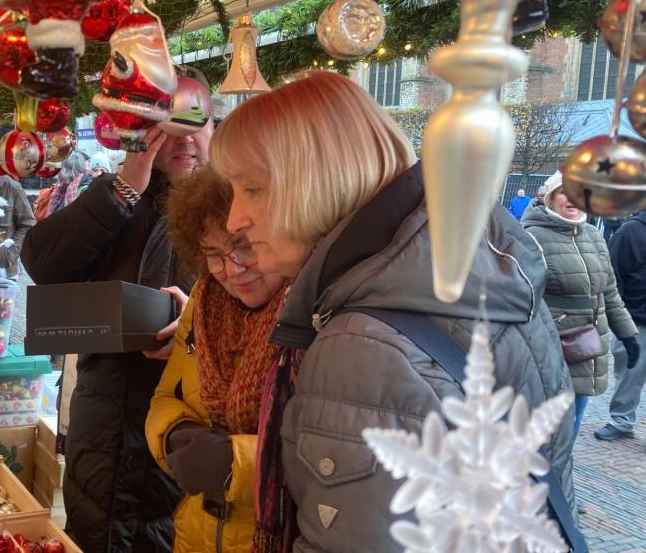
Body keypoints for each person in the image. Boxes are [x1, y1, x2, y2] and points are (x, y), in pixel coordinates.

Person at [209, 71, 576, 552]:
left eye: (252, 189)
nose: (236, 219)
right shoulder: (470, 272)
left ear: (318, 180)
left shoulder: (361, 345)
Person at [21, 116, 212, 552]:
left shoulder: (237, 207)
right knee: (94, 530)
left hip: (187, 424)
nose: (183, 139)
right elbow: (42, 262)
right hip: (104, 420)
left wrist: (197, 329)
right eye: (167, 127)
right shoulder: (119, 196)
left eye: (196, 123)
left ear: (215, 129)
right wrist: (125, 187)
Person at [145, 169, 286, 552]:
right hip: (199, 533)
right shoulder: (203, 305)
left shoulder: (311, 317)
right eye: (214, 255)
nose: (231, 269)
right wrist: (174, 435)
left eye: (245, 247)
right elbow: (164, 398)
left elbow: (332, 452)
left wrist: (234, 462)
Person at [522, 173, 639, 435]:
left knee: (574, 419)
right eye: (565, 192)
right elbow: (523, 298)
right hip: (553, 346)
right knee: (546, 427)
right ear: (551, 197)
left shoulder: (594, 236)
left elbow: (608, 291)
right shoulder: (532, 237)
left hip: (588, 346)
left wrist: (628, 334)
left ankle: (560, 473)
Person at [595, 210, 646, 440]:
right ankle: (622, 421)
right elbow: (613, 277)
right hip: (636, 318)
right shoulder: (630, 232)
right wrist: (621, 317)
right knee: (629, 372)